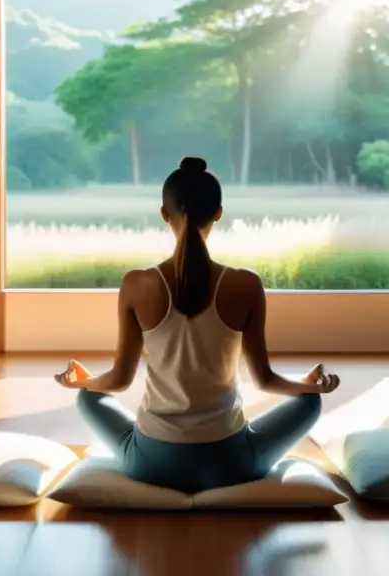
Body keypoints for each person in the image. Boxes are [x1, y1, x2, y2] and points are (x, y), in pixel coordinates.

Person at [54, 156, 340, 494]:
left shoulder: (136, 284)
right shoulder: (246, 284)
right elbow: (265, 380)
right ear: (218, 212)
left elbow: (118, 381)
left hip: (151, 463)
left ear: (164, 213)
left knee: (89, 398)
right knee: (309, 403)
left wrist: (83, 383)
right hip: (230, 463)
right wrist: (310, 387)